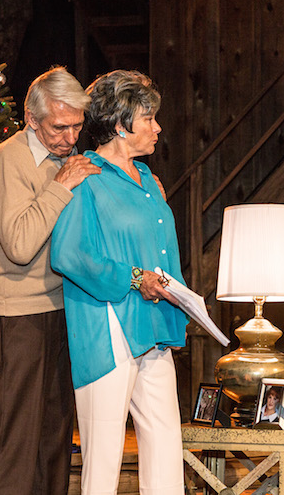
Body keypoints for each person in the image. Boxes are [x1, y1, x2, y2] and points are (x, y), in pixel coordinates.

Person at [50, 70, 189, 495]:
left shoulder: (148, 182)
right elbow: (69, 255)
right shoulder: (86, 176)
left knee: (167, 441)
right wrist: (133, 278)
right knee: (104, 455)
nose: (157, 127)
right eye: (148, 118)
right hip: (106, 327)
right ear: (119, 124)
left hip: (153, 326)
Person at [0, 66, 101, 495]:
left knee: (53, 439)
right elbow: (20, 245)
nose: (69, 139)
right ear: (31, 118)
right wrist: (60, 187)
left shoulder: (67, 160)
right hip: (16, 314)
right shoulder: (8, 160)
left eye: (76, 128)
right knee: (15, 441)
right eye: (58, 128)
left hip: (62, 309)